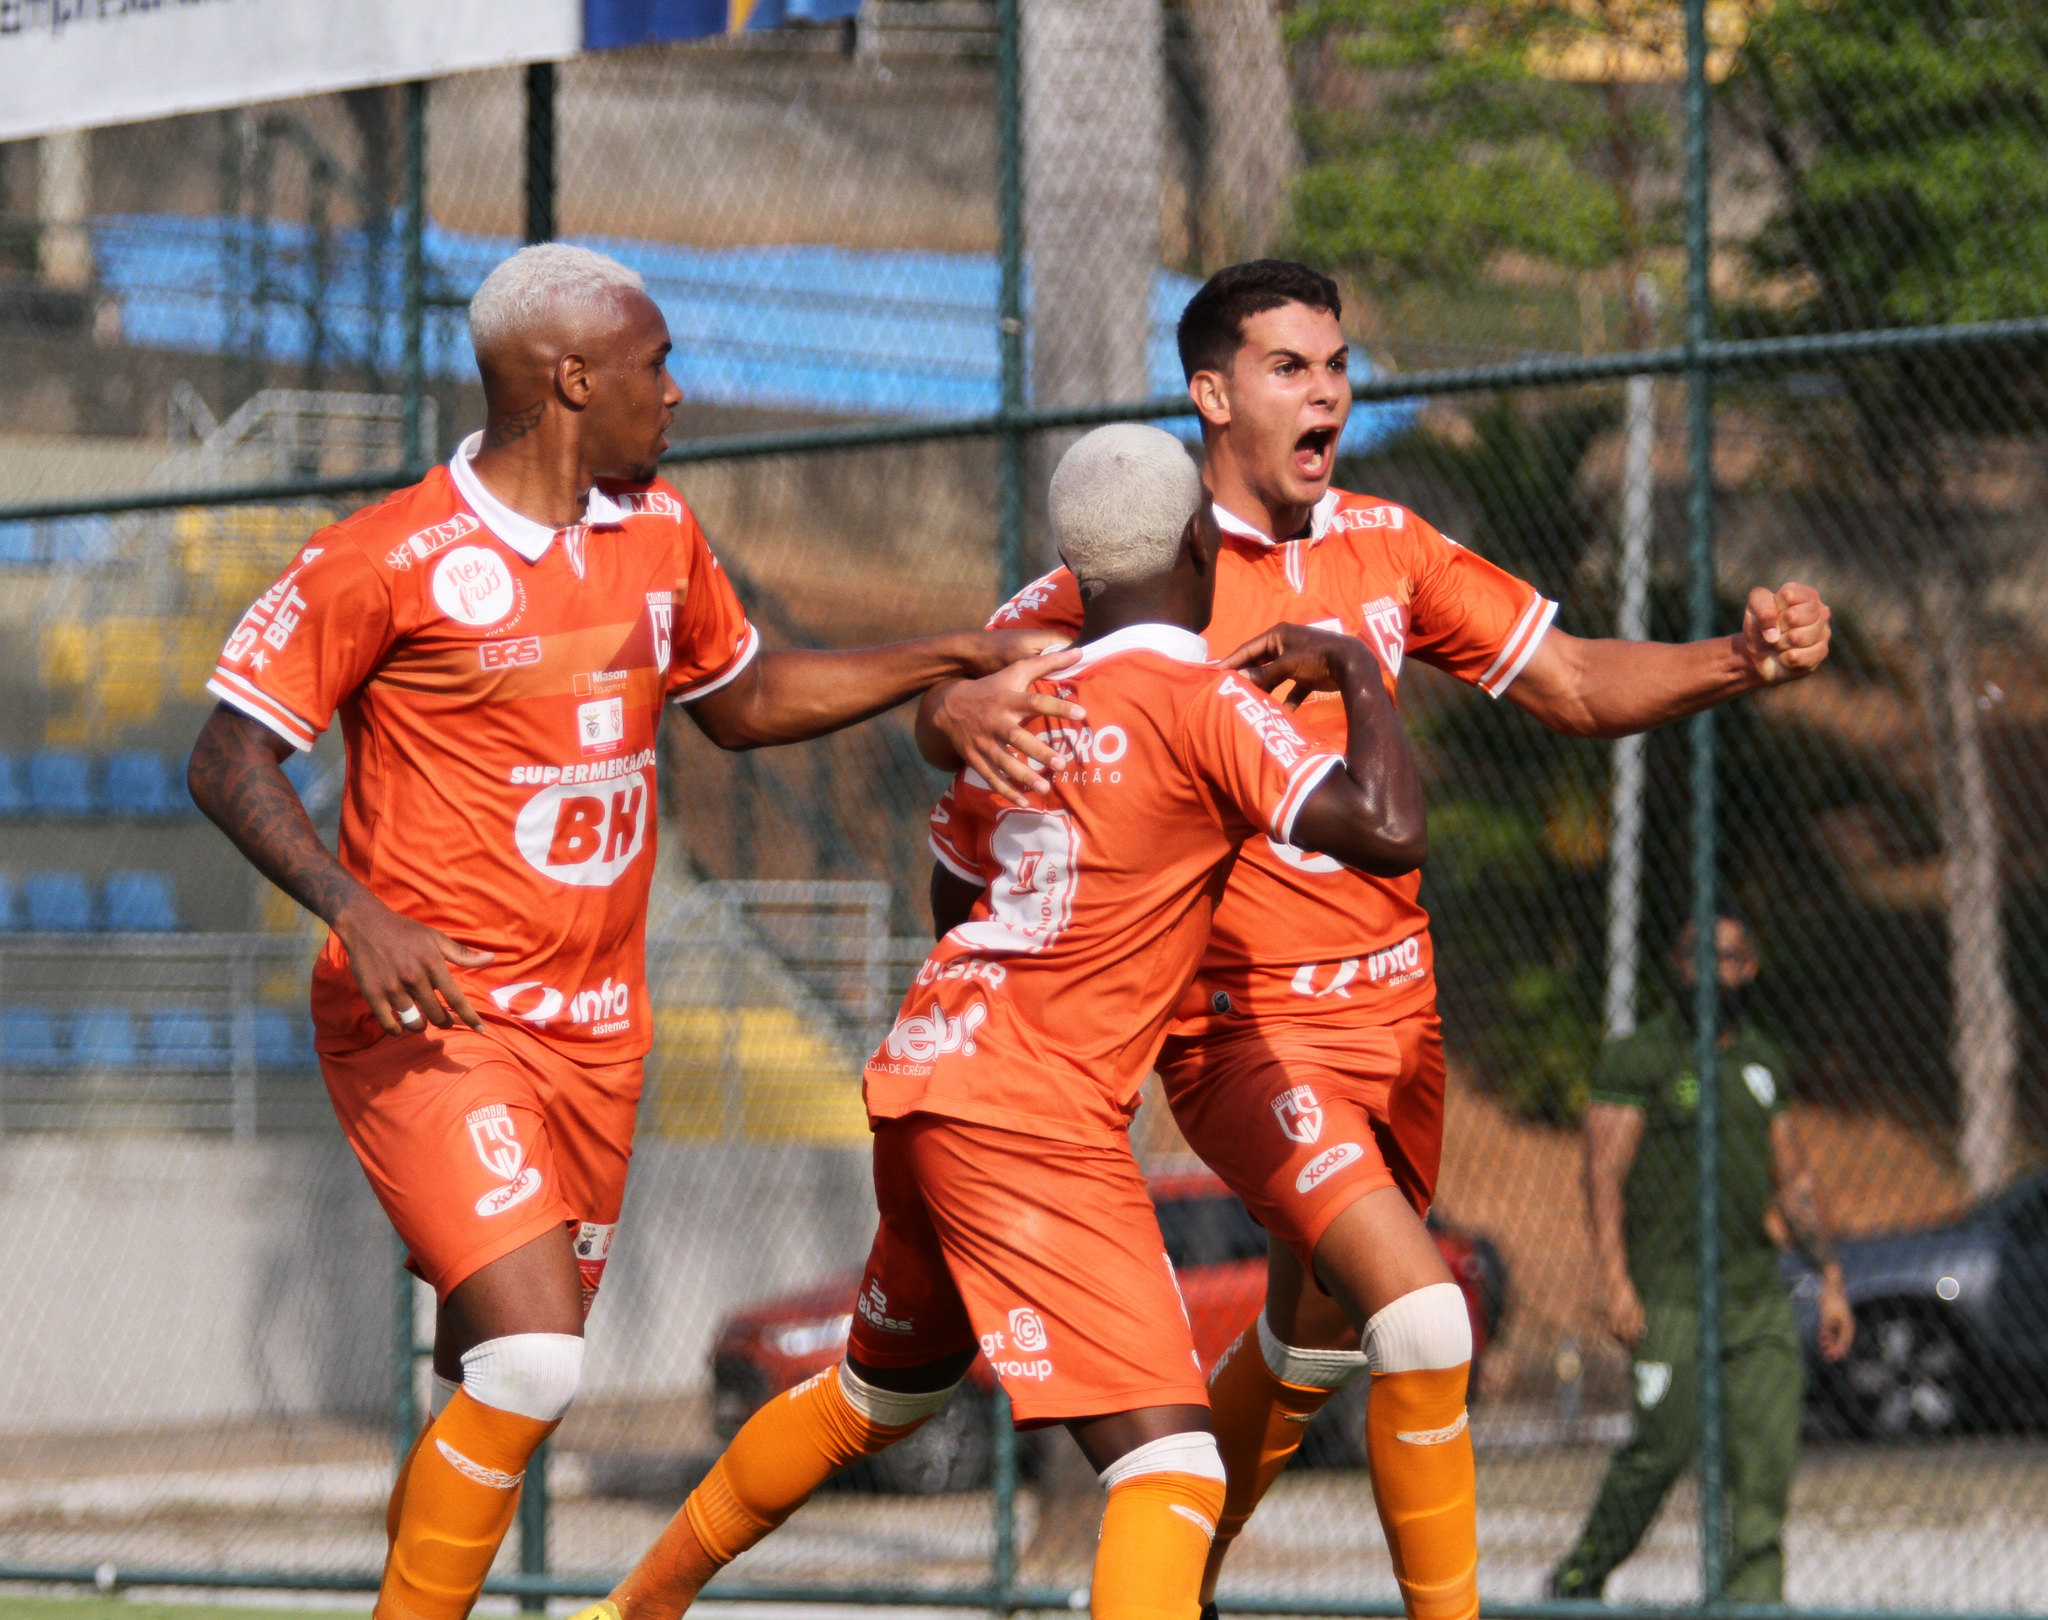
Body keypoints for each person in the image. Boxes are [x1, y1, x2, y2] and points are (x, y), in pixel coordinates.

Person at [920, 259, 1836, 1619]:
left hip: (1399, 1028)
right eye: (1292, 366)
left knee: (1315, 1341)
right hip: (1244, 1035)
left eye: (1338, 365)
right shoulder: (1131, 583)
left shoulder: (1390, 547)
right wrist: (947, 717)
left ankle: (1174, 1586)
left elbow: (1575, 678)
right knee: (1426, 1317)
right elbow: (963, 704)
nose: (1330, 390)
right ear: (1212, 393)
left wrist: (1742, 660)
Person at [185, 243, 1065, 1620]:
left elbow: (745, 696)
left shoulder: (657, 536)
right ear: (571, 377)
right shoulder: (384, 557)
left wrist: (955, 653)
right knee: (536, 1363)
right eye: (656, 363)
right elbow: (227, 759)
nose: (678, 390)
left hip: (601, 1041)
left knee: (495, 1373)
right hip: (435, 1018)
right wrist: (362, 911)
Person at [573, 422, 1426, 1620]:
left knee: (879, 1400)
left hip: (928, 1084)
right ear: (1199, 545)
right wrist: (1356, 672)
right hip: (1031, 1118)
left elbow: (952, 895)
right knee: (1169, 1468)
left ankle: (627, 1610)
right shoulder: (1200, 697)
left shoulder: (1024, 704)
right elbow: (1386, 833)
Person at [1547, 912, 1853, 1602]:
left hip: (1756, 1295)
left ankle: (1753, 1600)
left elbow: (1796, 1182)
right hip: (1670, 1294)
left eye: (1729, 957)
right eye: (1697, 956)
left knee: (1765, 1459)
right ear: (1676, 967)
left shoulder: (1761, 1062)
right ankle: (1578, 1579)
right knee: (1660, 1446)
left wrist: (1830, 1278)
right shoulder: (1640, 1058)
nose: (1712, 970)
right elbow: (1602, 1174)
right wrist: (1616, 1282)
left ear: (1750, 968)